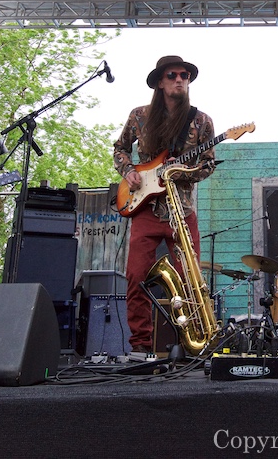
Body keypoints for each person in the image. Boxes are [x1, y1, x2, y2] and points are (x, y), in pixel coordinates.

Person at [113, 56, 217, 354]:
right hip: (144, 209)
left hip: (181, 212)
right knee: (135, 277)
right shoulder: (139, 116)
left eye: (184, 75)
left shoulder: (202, 121)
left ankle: (193, 346)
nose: (180, 79)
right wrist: (128, 171)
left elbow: (209, 165)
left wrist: (182, 170)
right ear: (160, 81)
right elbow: (119, 148)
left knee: (191, 281)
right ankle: (140, 347)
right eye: (172, 75)